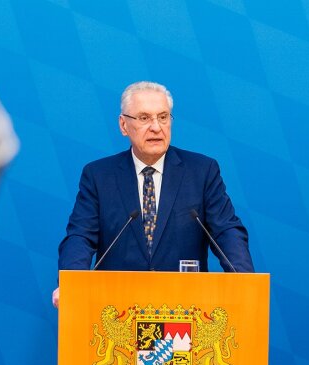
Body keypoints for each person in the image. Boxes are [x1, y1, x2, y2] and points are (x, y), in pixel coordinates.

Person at [52, 81, 253, 308]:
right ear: (123, 125)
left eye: (163, 117)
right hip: (116, 309)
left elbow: (226, 231)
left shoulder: (202, 171)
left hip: (184, 309)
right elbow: (81, 236)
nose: (156, 127)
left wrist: (244, 283)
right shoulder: (99, 176)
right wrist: (71, 284)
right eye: (144, 118)